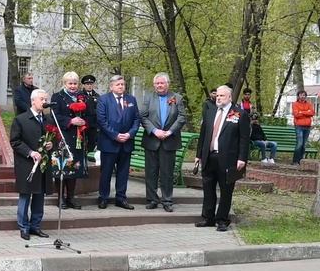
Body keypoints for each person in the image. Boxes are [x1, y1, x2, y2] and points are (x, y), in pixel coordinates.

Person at [195, 85, 250, 232]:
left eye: (222, 96)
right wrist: (198, 154)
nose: (218, 98)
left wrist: (242, 158)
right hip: (209, 156)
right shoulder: (210, 111)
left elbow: (244, 139)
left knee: (226, 190)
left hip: (228, 159)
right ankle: (208, 217)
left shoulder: (239, 114)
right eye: (217, 96)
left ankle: (222, 219)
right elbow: (203, 135)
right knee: (208, 188)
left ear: (230, 97)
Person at [10, 89, 53, 240]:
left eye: (45, 99)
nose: (44, 101)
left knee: (39, 195)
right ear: (33, 101)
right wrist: (30, 152)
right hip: (26, 163)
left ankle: (36, 225)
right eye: (42, 99)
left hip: (43, 163)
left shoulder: (48, 119)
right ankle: (24, 227)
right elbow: (15, 141)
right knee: (26, 195)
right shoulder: (21, 119)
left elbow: (54, 138)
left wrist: (50, 144)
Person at [140, 72, 186, 212]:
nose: (159, 85)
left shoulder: (177, 98)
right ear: (154, 85)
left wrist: (169, 131)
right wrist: (154, 131)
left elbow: (182, 117)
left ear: (168, 84)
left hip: (169, 140)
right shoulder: (148, 97)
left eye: (162, 83)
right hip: (152, 140)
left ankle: (167, 200)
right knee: (151, 172)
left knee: (167, 172)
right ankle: (152, 199)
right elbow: (143, 116)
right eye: (157, 83)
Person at [96, 75, 140, 210]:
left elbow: (136, 119)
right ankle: (103, 197)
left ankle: (121, 198)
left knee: (123, 173)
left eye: (122, 84)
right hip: (109, 143)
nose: (121, 86)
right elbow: (102, 120)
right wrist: (115, 135)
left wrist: (129, 134)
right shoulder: (103, 99)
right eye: (118, 84)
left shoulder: (131, 99)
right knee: (106, 172)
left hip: (126, 143)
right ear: (111, 87)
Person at [51, 71, 88, 210]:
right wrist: (71, 120)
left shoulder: (82, 97)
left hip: (78, 138)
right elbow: (54, 116)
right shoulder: (58, 96)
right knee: (62, 168)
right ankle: (60, 198)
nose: (73, 86)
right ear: (64, 83)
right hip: (63, 137)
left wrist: (84, 122)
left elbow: (89, 114)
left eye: (75, 83)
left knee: (75, 168)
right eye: (70, 83)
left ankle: (71, 197)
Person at [292, 90, 314, 164]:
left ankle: (301, 161)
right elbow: (296, 114)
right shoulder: (295, 104)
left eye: (304, 95)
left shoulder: (309, 104)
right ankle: (295, 161)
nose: (303, 96)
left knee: (304, 145)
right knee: (299, 144)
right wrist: (306, 112)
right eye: (301, 95)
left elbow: (312, 112)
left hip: (307, 126)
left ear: (305, 96)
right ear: (298, 96)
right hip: (299, 126)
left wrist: (301, 112)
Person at [81, 74, 99, 153]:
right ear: (84, 85)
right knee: (82, 144)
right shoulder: (80, 95)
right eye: (87, 84)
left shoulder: (97, 96)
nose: (89, 86)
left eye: (91, 84)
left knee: (92, 144)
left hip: (94, 125)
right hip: (84, 124)